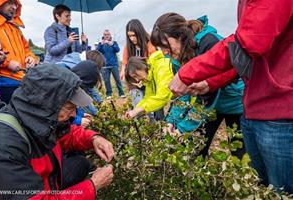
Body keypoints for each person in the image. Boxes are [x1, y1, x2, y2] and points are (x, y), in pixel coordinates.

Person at [168, 1, 293, 194]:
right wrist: (210, 83)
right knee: (262, 186)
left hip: (279, 113)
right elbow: (244, 60)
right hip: (256, 108)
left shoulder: (207, 41)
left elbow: (247, 43)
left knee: (282, 191)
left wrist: (188, 73)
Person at [0, 64, 114, 199]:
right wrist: (92, 185)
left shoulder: (40, 118)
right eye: (69, 108)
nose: (74, 114)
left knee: (80, 164)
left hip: (48, 184)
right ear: (44, 103)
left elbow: (66, 134)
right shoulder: (4, 145)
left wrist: (94, 139)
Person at [151, 13, 245, 158]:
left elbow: (209, 95)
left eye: (165, 46)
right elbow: (183, 95)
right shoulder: (175, 57)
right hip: (210, 104)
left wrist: (182, 128)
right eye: (160, 48)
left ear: (180, 36)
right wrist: (171, 122)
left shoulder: (208, 42)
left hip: (235, 101)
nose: (164, 52)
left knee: (239, 153)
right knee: (195, 146)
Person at [0, 0, 38, 104]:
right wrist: (8, 63)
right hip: (1, 81)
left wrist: (31, 57)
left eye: (15, 4)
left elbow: (26, 49)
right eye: (9, 3)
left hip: (20, 78)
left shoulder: (16, 27)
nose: (14, 7)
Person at [120, 19, 157, 111]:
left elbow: (153, 66)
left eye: (134, 35)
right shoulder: (128, 47)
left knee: (153, 108)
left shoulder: (150, 45)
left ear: (139, 33)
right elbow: (125, 63)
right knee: (138, 105)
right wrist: (123, 72)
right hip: (134, 83)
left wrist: (145, 78)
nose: (132, 39)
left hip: (149, 80)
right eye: (129, 36)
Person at [124, 51, 173, 119]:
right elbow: (149, 97)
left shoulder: (161, 67)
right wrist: (135, 110)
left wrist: (139, 110)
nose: (137, 80)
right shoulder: (150, 76)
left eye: (135, 76)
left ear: (140, 66)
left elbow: (162, 97)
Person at [96, 29, 125, 99]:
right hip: (105, 66)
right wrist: (101, 44)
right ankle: (109, 94)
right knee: (106, 81)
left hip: (114, 64)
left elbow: (118, 50)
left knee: (117, 80)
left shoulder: (114, 42)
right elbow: (97, 51)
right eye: (105, 35)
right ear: (103, 36)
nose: (106, 36)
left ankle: (121, 93)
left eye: (108, 34)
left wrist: (112, 45)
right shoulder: (101, 44)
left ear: (110, 35)